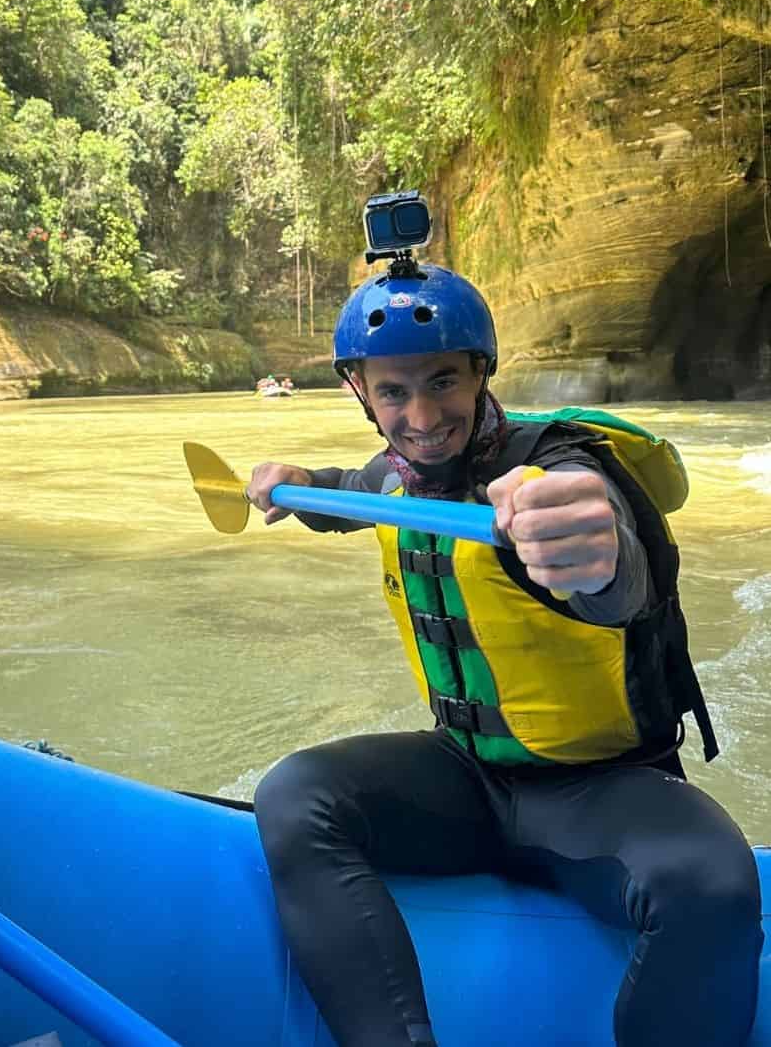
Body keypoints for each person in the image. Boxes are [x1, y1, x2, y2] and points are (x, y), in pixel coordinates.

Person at [246, 260, 763, 1047]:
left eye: (444, 381)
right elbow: (349, 490)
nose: (421, 415)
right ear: (362, 393)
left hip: (602, 791)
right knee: (294, 794)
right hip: (467, 777)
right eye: (393, 392)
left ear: (482, 372)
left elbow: (617, 570)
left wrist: (594, 554)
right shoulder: (395, 473)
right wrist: (294, 483)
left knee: (714, 884)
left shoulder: (562, 470)